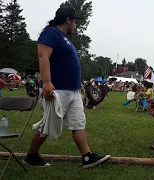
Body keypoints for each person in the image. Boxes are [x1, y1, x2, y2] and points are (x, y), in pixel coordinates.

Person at [23, 7, 110, 168]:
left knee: (78, 123)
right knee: (47, 124)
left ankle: (87, 156)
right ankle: (31, 155)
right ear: (68, 20)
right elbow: (43, 56)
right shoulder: (51, 33)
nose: (75, 25)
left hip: (73, 90)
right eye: (75, 21)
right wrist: (47, 82)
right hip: (58, 90)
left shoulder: (64, 38)